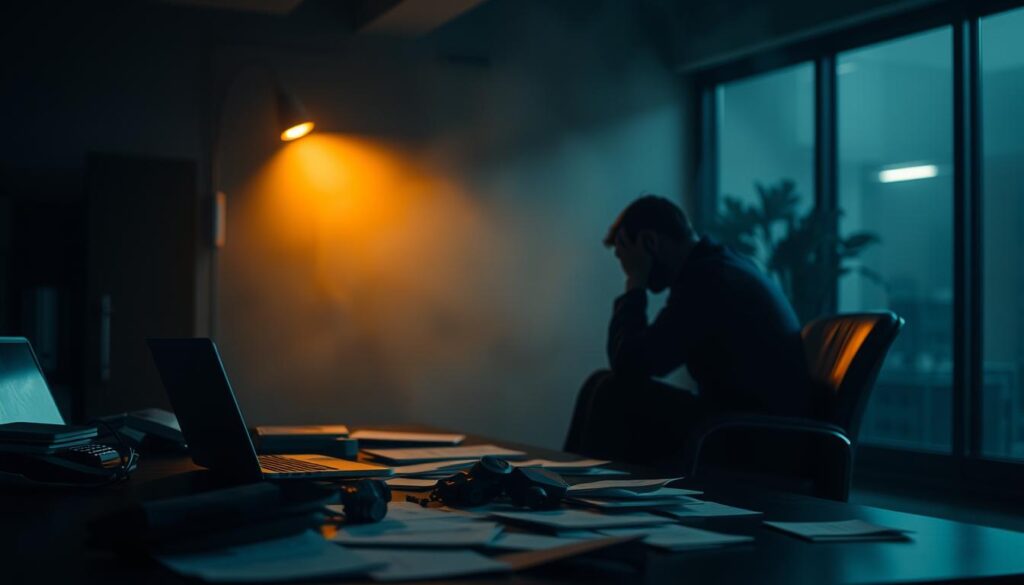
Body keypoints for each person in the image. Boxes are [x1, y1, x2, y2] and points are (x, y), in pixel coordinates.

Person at [566, 195, 813, 469]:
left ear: (649, 242)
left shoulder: (709, 280)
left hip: (754, 438)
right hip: (748, 427)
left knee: (612, 391)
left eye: (627, 260)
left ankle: (578, 492)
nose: (627, 269)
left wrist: (635, 283)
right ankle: (568, 486)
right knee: (600, 383)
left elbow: (632, 363)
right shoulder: (719, 266)